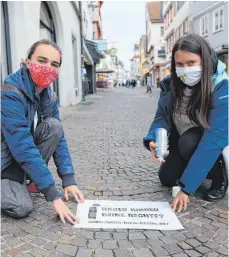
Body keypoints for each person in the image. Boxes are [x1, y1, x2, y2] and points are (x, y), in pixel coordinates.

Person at [1, 40, 85, 224]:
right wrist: (53, 195)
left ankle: (28, 180)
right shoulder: (10, 93)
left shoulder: (48, 94)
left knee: (54, 126)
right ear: (28, 62)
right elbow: (22, 144)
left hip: (20, 160)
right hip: (5, 163)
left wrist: (68, 179)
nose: (48, 68)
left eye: (54, 64)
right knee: (21, 207)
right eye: (42, 60)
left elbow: (59, 139)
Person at [143, 34, 228, 212]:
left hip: (203, 141)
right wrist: (154, 139)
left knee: (188, 142)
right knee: (167, 179)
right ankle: (195, 169)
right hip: (180, 139)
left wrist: (186, 188)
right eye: (180, 64)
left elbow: (213, 140)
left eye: (191, 63)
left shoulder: (221, 86)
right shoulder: (170, 84)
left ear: (204, 60)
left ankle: (219, 176)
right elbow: (162, 118)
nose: (185, 69)